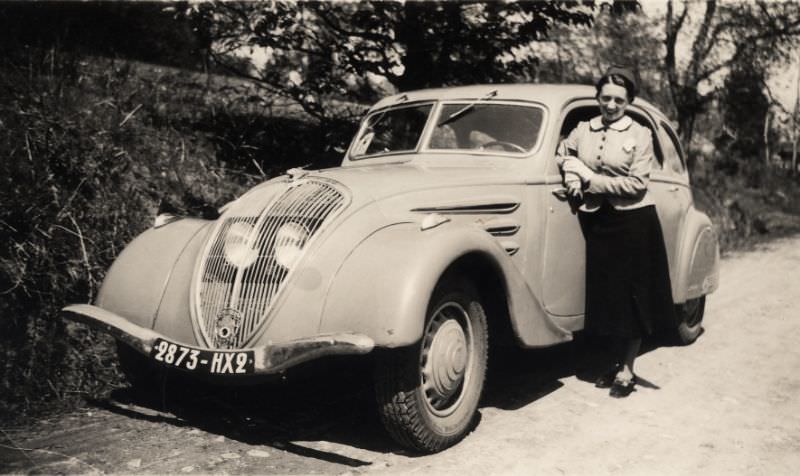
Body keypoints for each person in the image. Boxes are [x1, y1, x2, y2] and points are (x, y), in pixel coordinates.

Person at [556, 66, 675, 398]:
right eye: (605, 98)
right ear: (597, 97)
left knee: (631, 298)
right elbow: (564, 153)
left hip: (634, 222)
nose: (610, 105)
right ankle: (612, 361)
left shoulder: (640, 134)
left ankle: (627, 369)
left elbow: (637, 185)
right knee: (606, 296)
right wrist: (572, 175)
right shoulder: (584, 128)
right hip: (599, 220)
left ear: (629, 102)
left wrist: (591, 179)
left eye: (618, 100)